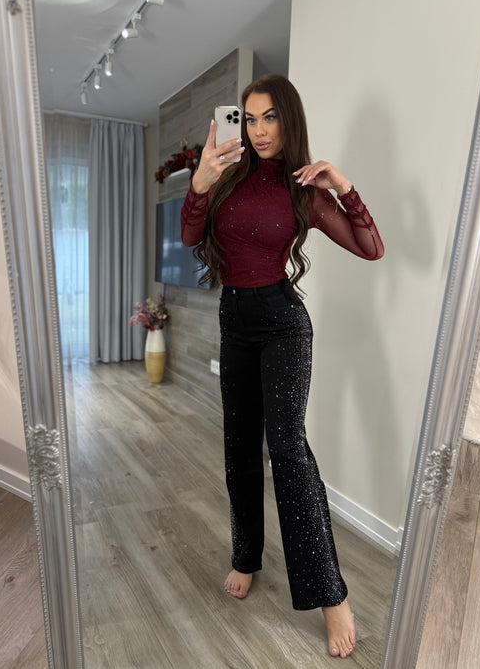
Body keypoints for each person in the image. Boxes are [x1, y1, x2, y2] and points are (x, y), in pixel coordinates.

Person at [180, 74, 384, 659]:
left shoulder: (303, 191)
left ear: (288, 120)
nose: (258, 130)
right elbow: (192, 235)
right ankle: (246, 556)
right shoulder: (225, 177)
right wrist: (200, 181)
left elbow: (370, 248)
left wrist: (342, 185)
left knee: (288, 451)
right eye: (249, 118)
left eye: (269, 117)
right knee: (238, 447)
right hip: (235, 322)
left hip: (283, 325)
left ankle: (331, 595)